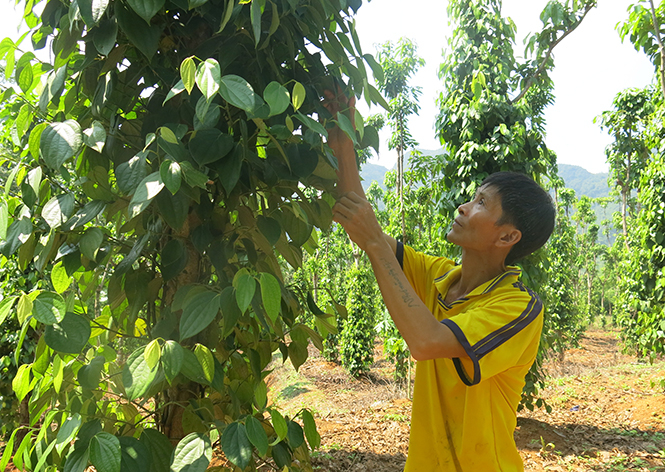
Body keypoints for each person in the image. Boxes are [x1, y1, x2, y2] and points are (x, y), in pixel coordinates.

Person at [323, 89, 556, 471]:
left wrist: (374, 244)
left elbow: (427, 341)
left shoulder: (517, 307)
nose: (463, 207)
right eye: (472, 197)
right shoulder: (438, 277)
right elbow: (361, 222)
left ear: (507, 237)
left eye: (481, 203)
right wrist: (344, 137)